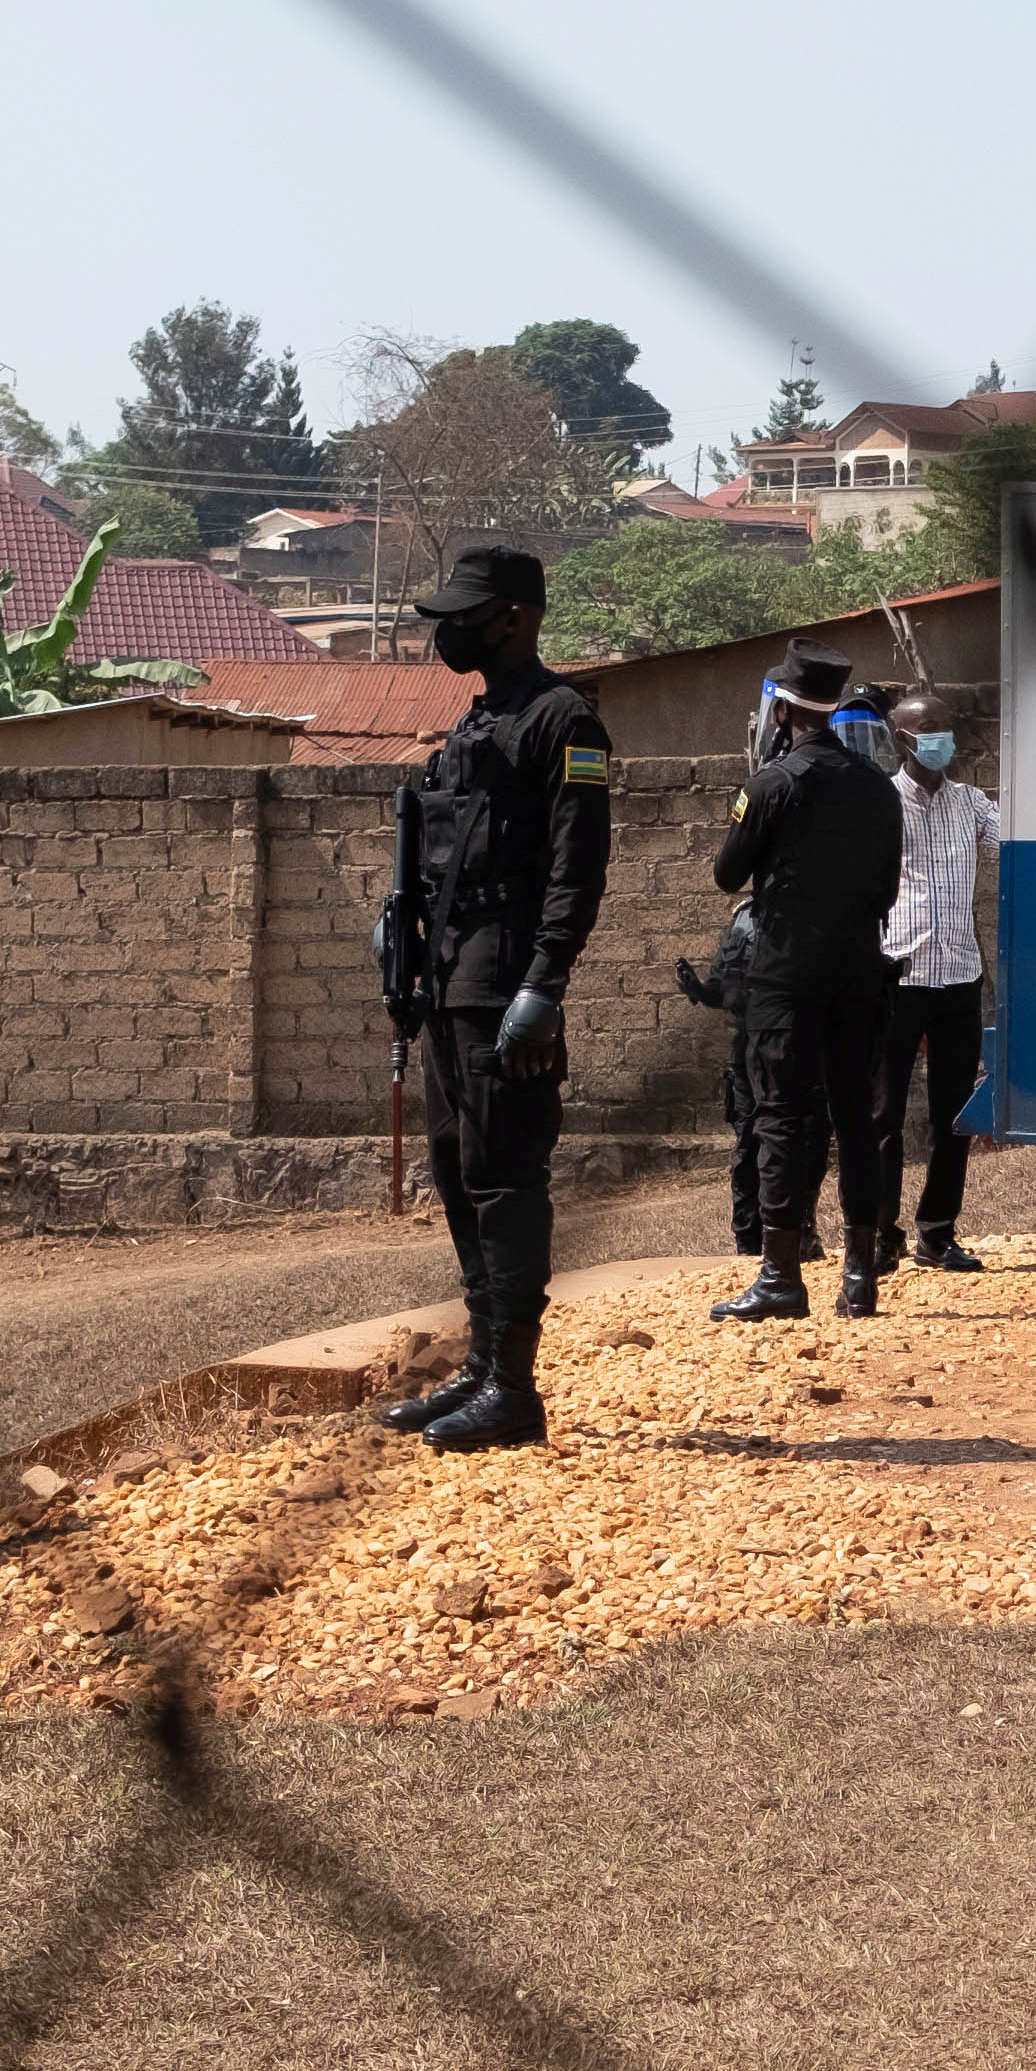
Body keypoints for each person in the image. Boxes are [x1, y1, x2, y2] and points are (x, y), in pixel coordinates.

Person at [377, 546, 616, 1451]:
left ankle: (515, 1388)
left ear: (513, 616)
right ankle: (481, 1366)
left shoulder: (565, 723)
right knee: (456, 1170)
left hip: (506, 980)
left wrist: (545, 983)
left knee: (507, 1176)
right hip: (447, 977)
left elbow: (577, 865)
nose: (450, 631)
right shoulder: (476, 727)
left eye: (466, 614)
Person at [710, 647, 907, 1320]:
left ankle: (780, 1276)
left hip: (786, 977)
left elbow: (728, 875)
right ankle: (858, 1278)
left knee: (783, 1119)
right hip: (858, 973)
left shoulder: (771, 786)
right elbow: (886, 888)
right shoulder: (880, 787)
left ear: (786, 709)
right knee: (855, 1118)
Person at [869, 686, 994, 1275]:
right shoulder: (879, 804)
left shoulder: (972, 803)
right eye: (932, 729)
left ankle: (937, 1232)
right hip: (899, 973)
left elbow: (1020, 847)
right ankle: (878, 1232)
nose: (945, 738)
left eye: (949, 727)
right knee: (884, 1113)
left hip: (959, 976)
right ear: (903, 739)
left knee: (953, 1112)